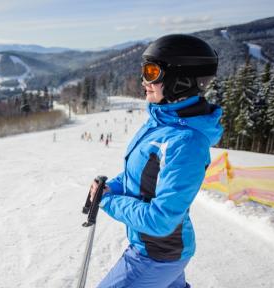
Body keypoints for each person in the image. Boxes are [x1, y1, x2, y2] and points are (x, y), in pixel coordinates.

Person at [89, 34, 223, 287]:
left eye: (151, 72)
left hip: (157, 256)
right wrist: (112, 187)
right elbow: (141, 177)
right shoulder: (161, 123)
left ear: (180, 80)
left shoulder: (186, 143)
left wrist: (108, 201)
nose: (143, 81)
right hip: (157, 250)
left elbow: (160, 220)